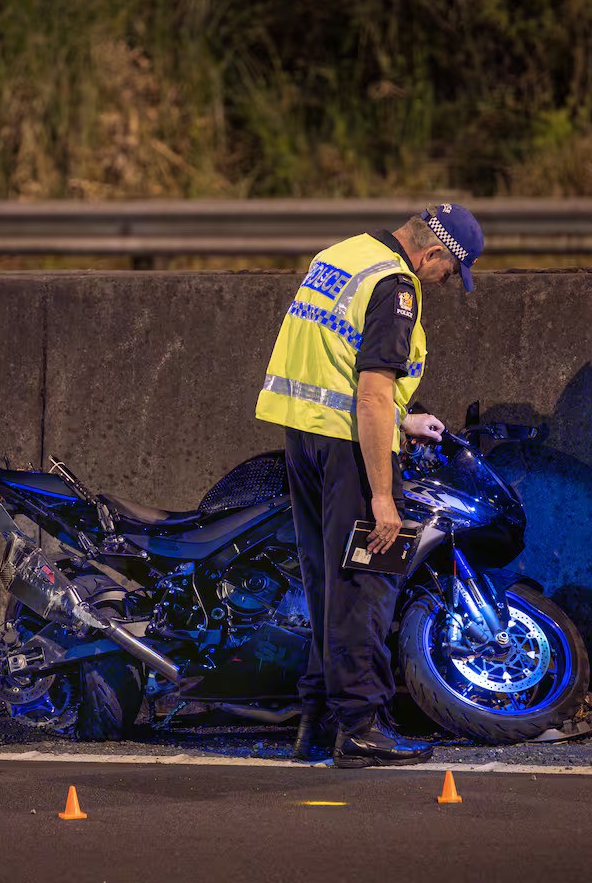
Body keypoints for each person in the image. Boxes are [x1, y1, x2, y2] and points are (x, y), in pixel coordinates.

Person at [256, 205, 484, 766]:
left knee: (327, 587)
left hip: (305, 440)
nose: (445, 283)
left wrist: (403, 421)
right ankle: (361, 727)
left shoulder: (341, 255)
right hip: (353, 456)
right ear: (432, 253)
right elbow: (371, 393)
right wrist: (383, 495)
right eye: (450, 272)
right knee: (367, 585)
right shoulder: (394, 286)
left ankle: (316, 722)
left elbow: (333, 367)